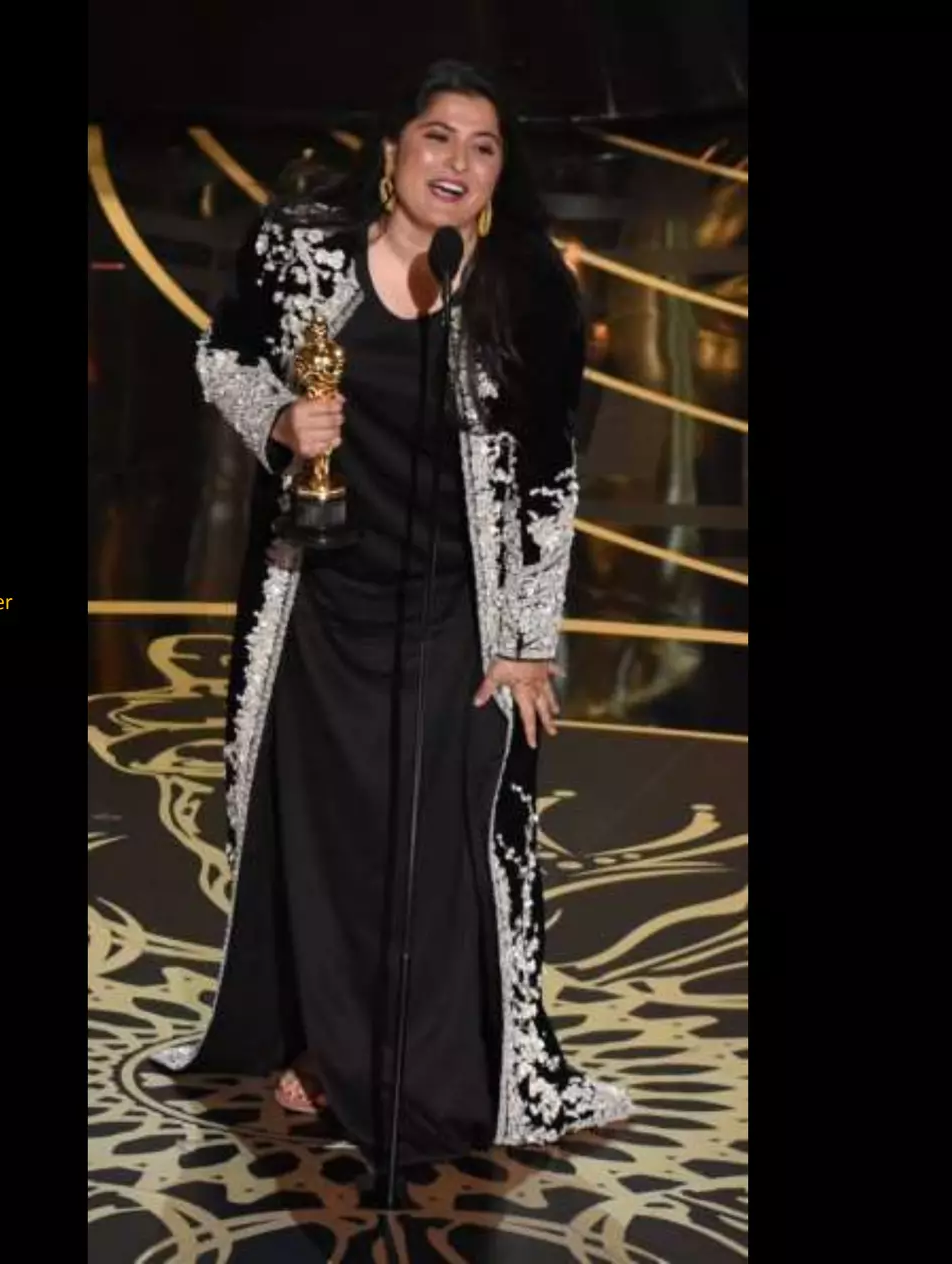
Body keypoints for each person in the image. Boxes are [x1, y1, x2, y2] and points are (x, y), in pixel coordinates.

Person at [154, 60, 630, 1166]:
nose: (456, 163)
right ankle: (322, 1043)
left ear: (501, 173)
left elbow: (553, 478)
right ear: (391, 154)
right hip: (320, 602)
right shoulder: (301, 250)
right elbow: (219, 352)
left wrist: (526, 643)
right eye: (436, 138)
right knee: (330, 836)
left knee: (446, 840)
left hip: (458, 610)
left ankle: (439, 1056)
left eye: (482, 147)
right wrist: (276, 420)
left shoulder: (525, 284)